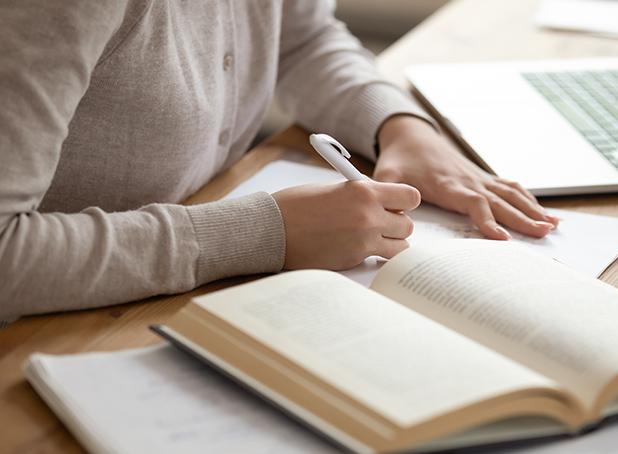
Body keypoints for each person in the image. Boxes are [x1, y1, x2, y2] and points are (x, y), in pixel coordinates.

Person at [0, 0, 558, 321]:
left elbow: (302, 38)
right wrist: (265, 232)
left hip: (156, 301)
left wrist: (400, 125)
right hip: (44, 333)